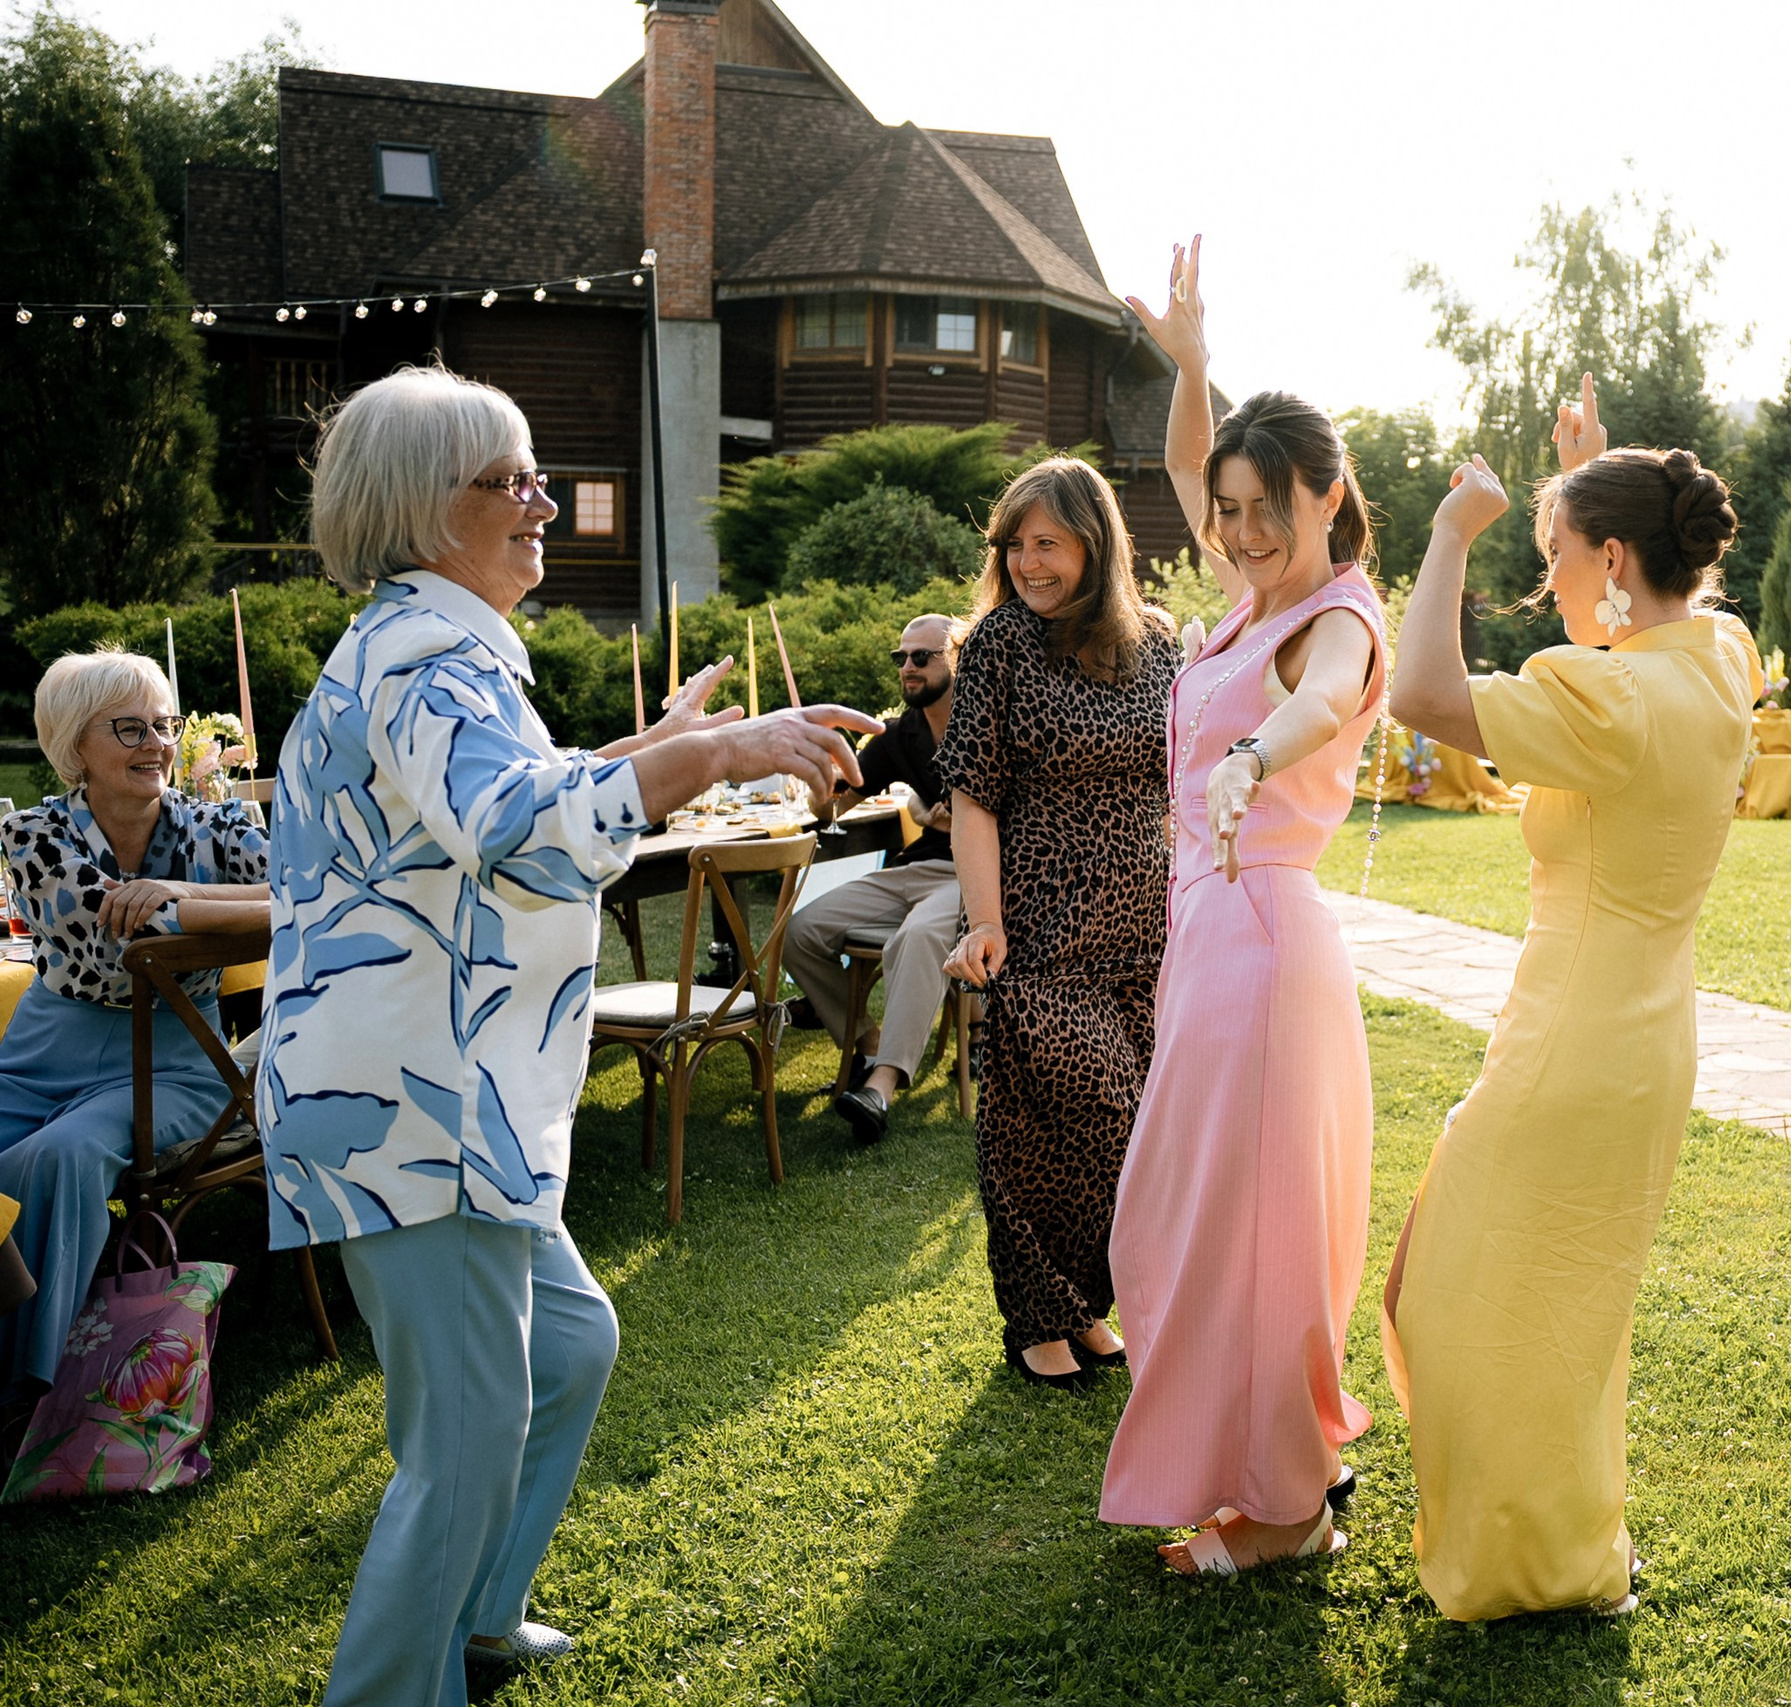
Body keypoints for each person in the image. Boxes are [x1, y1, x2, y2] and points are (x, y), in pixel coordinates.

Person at [261, 364, 874, 1706]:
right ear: (430, 509)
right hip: (419, 1103)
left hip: (448, 1096)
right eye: (513, 479)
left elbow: (505, 807)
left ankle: (479, 1617)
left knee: (573, 1340)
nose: (544, 499)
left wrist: (652, 742)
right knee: (463, 1440)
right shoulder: (424, 652)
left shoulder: (432, 648)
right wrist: (710, 754)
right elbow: (518, 823)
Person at [1383, 376, 1757, 1620]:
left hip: (1573, 1040)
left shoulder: (1611, 697)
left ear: (1609, 559)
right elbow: (1636, 629)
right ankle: (1565, 1549)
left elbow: (1422, 698)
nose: (1546, 588)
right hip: (1648, 1038)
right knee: (1565, 1305)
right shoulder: (1715, 660)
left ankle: (1529, 1564)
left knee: (1456, 1294)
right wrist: (1598, 480)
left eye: (1558, 562)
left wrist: (1449, 534)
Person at [1100, 238, 1389, 1577]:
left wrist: (1260, 753)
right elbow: (1172, 466)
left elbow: (1324, 697)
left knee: (1253, 1223)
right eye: (1227, 509)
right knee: (1189, 1210)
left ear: (1329, 497)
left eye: (1266, 506)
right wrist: (1195, 367)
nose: (1239, 530)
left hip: (1266, 944)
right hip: (1209, 944)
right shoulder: (1238, 602)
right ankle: (1271, 1468)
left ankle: (1284, 1506)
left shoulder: (1336, 616)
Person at [938, 456, 1180, 1391]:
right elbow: (973, 796)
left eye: (1049, 543)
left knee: (1130, 1130)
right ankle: (1037, 1311)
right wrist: (984, 920)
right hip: (1040, 929)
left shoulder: (1156, 642)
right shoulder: (998, 644)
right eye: (1016, 545)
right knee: (1056, 1116)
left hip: (1146, 930)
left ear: (1097, 541)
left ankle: (1080, 1310)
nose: (1029, 562)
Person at [0, 651, 270, 1455]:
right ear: (74, 744)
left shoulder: (217, 825)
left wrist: (184, 895)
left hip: (177, 1062)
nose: (155, 743)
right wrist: (221, 910)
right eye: (130, 728)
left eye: (163, 725)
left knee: (59, 1157)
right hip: (47, 1049)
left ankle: (27, 1391)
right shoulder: (34, 834)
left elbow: (312, 896)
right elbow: (115, 937)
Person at [782, 612, 962, 1145]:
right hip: (918, 867)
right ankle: (867, 1041)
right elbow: (836, 807)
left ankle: (880, 1086)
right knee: (801, 933)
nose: (907, 667)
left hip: (977, 875)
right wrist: (816, 779)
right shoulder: (898, 735)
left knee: (920, 936)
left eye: (921, 657)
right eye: (900, 657)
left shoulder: (991, 721)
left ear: (957, 658)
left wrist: (963, 817)